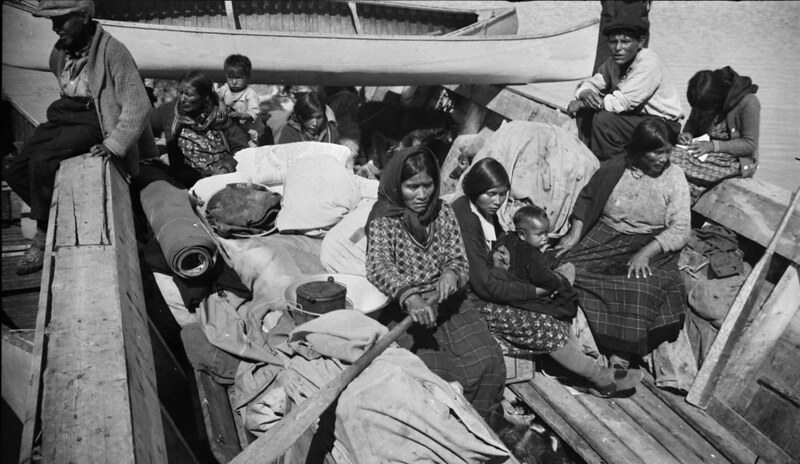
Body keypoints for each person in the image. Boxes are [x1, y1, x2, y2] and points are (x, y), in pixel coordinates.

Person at [452, 158, 643, 398]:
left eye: (502, 194)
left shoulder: (481, 211)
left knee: (556, 302)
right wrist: (534, 292)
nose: (497, 201)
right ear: (475, 189)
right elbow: (483, 285)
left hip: (490, 288)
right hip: (472, 302)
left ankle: (576, 372)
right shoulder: (466, 219)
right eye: (491, 194)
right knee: (546, 322)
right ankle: (600, 378)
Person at [3, 0, 157, 275]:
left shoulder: (114, 51)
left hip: (96, 118)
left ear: (84, 17)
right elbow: (61, 80)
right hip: (66, 113)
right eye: (53, 21)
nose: (55, 28)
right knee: (15, 170)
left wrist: (114, 144)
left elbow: (139, 105)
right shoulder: (62, 49)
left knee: (43, 160)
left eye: (62, 20)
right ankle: (54, 220)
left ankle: (41, 235)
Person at [364, 147, 506, 422]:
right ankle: (445, 430)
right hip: (405, 312)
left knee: (487, 359)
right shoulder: (384, 219)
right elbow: (378, 265)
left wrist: (452, 274)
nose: (422, 194)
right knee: (430, 373)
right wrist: (410, 297)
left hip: (449, 304)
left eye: (428, 185)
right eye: (412, 186)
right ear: (397, 184)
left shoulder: (442, 212)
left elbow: (456, 255)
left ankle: (482, 424)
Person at [555, 118, 691, 368]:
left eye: (667, 152)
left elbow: (681, 228)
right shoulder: (616, 167)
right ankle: (585, 336)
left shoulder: (674, 177)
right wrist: (575, 233)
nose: (663, 159)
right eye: (657, 152)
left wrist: (645, 254)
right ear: (639, 150)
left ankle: (623, 350)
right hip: (607, 234)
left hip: (652, 243)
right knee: (565, 268)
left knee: (639, 286)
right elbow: (587, 198)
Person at [567, 10, 682, 161]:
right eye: (613, 42)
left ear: (640, 42)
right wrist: (586, 94)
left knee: (604, 120)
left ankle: (615, 165)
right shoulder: (613, 62)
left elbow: (620, 104)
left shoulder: (649, 63)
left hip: (662, 126)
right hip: (638, 119)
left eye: (625, 42)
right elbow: (591, 83)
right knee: (587, 113)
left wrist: (582, 104)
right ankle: (587, 157)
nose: (618, 48)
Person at [671, 66, 761, 202]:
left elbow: (749, 144)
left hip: (733, 159)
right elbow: (692, 123)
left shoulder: (748, 102)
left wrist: (712, 146)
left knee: (672, 157)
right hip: (704, 151)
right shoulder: (704, 98)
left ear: (718, 101)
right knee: (665, 152)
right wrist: (688, 133)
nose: (701, 113)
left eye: (704, 110)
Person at [149, 70, 250, 187]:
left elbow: (242, 150)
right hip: (186, 182)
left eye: (189, 94)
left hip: (224, 179)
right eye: (180, 93)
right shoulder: (170, 111)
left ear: (204, 96)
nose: (182, 99)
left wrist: (225, 169)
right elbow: (145, 122)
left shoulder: (221, 116)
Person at [217, 54, 271, 146]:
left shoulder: (250, 94)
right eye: (230, 78)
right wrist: (220, 103)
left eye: (238, 78)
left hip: (251, 132)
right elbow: (215, 95)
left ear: (247, 76)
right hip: (233, 131)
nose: (234, 82)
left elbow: (253, 113)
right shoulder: (225, 89)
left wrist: (241, 115)